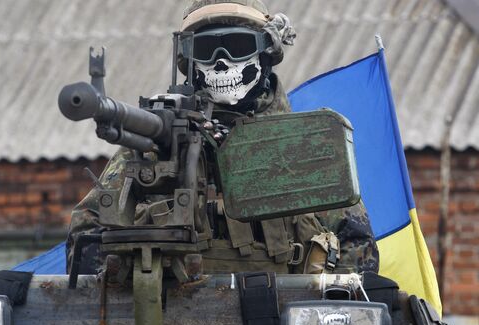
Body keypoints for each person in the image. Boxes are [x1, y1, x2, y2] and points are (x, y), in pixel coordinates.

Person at [66, 0, 379, 276]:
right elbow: (86, 236)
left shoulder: (304, 145)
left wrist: (317, 297)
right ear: (187, 61)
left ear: (267, 53)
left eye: (238, 46)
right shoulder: (152, 147)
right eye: (206, 49)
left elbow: (357, 244)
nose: (221, 60)